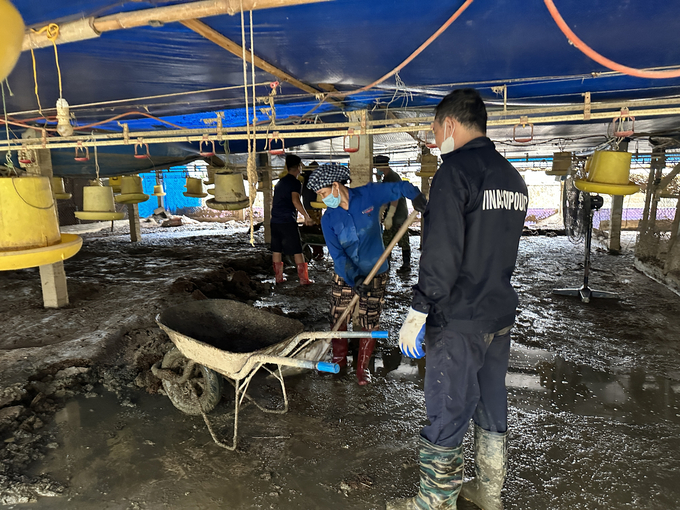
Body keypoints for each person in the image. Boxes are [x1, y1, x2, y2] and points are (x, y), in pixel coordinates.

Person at [389, 89, 528, 510]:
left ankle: (435, 502)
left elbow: (443, 254)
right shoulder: (512, 178)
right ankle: (489, 491)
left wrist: (419, 308)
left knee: (448, 404)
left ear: (448, 125)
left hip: (460, 318)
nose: (435, 140)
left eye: (434, 131)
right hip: (498, 312)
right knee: (490, 398)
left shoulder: (454, 173)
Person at [307, 163, 427, 385]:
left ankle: (362, 368)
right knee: (338, 317)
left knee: (369, 318)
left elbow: (400, 187)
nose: (324, 199)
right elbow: (338, 255)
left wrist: (415, 195)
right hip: (345, 275)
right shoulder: (329, 219)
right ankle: (339, 362)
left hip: (376, 271)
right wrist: (355, 277)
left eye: (323, 193)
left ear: (335, 186)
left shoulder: (368, 195)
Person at [270, 154, 313, 285]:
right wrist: (306, 216)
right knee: (297, 249)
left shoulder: (279, 182)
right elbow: (295, 201)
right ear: (299, 167)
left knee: (276, 249)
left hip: (275, 220)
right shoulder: (295, 182)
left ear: (287, 167)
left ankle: (278, 278)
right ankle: (304, 280)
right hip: (287, 220)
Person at [374, 155, 411, 272]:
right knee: (390, 239)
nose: (376, 169)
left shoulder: (392, 177)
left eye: (376, 167)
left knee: (399, 239)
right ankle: (391, 265)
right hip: (396, 212)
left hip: (398, 213)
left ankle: (403, 265)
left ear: (380, 166)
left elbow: (394, 198)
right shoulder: (388, 177)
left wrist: (389, 215)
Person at [300, 161, 325, 260]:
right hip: (314, 208)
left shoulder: (306, 179)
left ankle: (318, 251)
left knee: (313, 228)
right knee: (315, 228)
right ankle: (318, 251)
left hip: (309, 207)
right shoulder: (315, 180)